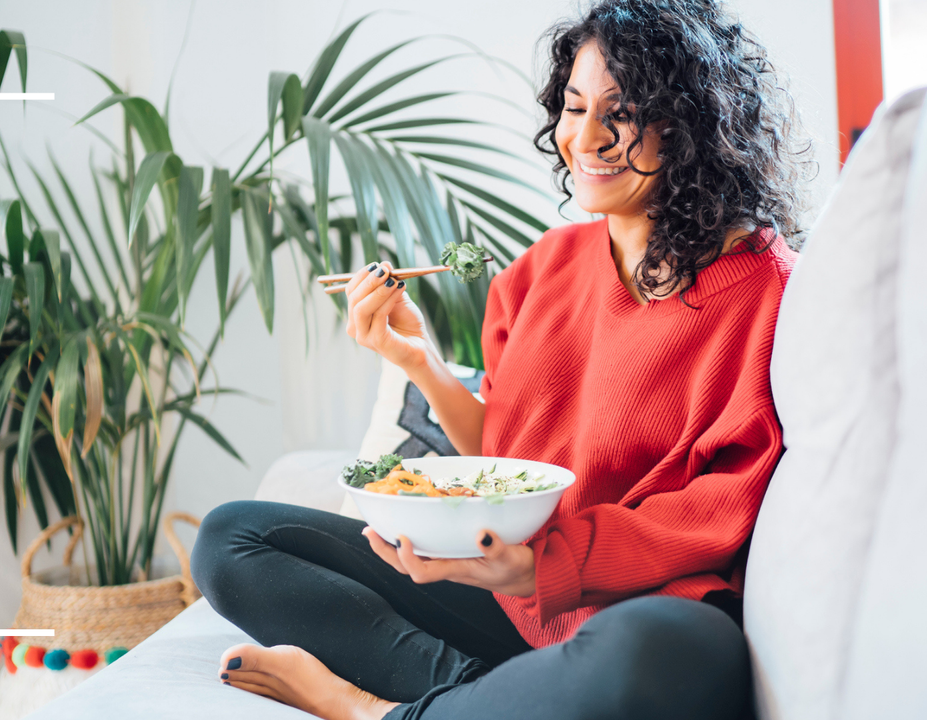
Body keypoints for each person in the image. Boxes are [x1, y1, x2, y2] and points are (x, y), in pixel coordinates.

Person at [190, 1, 812, 718]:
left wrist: (543, 565)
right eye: (573, 108)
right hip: (504, 597)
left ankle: (369, 709)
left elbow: (713, 511)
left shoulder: (765, 289)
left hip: (628, 608)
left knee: (670, 652)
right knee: (232, 537)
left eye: (624, 110)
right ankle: (473, 693)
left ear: (692, 124)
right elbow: (506, 457)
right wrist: (420, 361)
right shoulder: (541, 268)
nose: (584, 138)